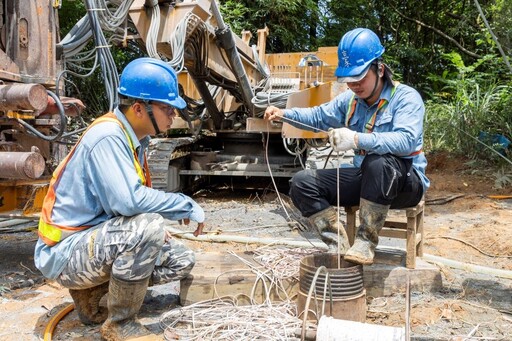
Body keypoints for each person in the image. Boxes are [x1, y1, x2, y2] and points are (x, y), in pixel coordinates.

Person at [34, 58, 205, 341]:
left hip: (87, 241)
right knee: (147, 228)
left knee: (180, 258)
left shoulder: (132, 139)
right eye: (167, 108)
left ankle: (93, 296)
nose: (173, 115)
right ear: (139, 108)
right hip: (63, 254)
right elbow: (128, 202)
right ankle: (121, 323)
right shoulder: (108, 136)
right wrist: (184, 205)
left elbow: (120, 206)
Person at [264, 28, 428, 265]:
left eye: (360, 78)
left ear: (379, 69)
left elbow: (406, 141)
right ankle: (337, 244)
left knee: (378, 162)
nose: (354, 85)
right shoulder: (351, 100)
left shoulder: (406, 98)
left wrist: (355, 139)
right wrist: (284, 114)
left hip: (405, 182)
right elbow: (320, 115)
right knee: (302, 183)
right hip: (367, 178)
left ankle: (365, 241)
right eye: (350, 80)